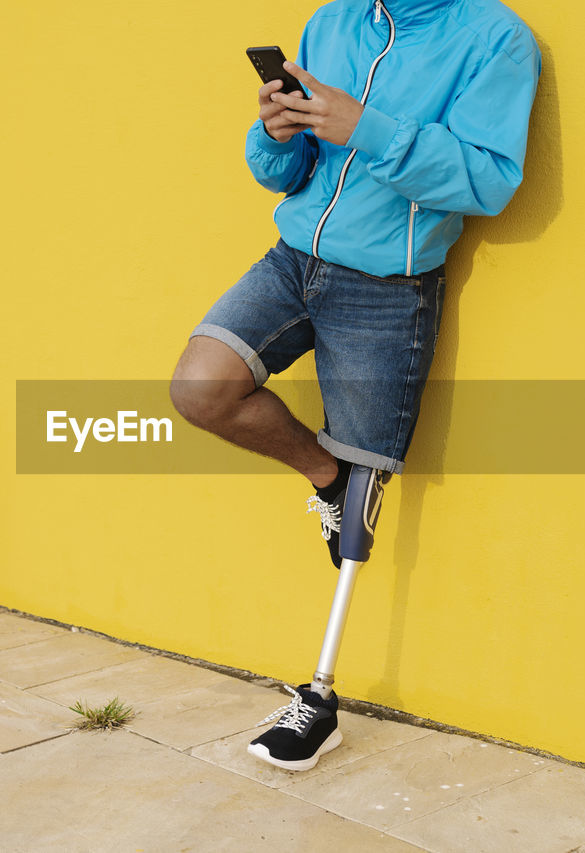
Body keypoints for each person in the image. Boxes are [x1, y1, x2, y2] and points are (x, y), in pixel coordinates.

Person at [169, 0, 540, 770]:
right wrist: (274, 135)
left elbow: (489, 179)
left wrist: (363, 126)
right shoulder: (332, 22)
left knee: (372, 479)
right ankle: (324, 475)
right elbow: (289, 166)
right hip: (292, 258)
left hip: (387, 285)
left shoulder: (494, 39)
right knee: (201, 387)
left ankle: (320, 697)